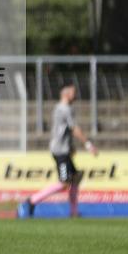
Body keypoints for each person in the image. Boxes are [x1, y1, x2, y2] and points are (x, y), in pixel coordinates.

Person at [19, 83, 98, 218]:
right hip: (60, 150)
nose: (75, 95)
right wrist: (88, 145)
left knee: (76, 177)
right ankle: (31, 201)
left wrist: (71, 147)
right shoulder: (64, 109)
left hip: (64, 149)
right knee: (64, 183)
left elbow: (63, 130)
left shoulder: (63, 108)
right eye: (73, 92)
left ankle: (73, 212)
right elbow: (74, 129)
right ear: (66, 94)